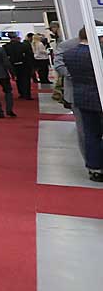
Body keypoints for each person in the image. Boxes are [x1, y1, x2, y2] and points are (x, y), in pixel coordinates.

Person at [58, 29, 101, 183]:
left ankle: (95, 168)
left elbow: (63, 69)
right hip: (98, 97)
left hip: (82, 97)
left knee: (89, 134)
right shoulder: (96, 53)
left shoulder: (69, 53)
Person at [2, 31, 34, 102]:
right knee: (26, 79)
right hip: (25, 65)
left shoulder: (5, 46)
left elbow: (5, 58)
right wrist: (31, 66)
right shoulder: (24, 45)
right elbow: (30, 56)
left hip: (13, 65)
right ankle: (27, 94)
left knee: (18, 79)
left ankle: (21, 93)